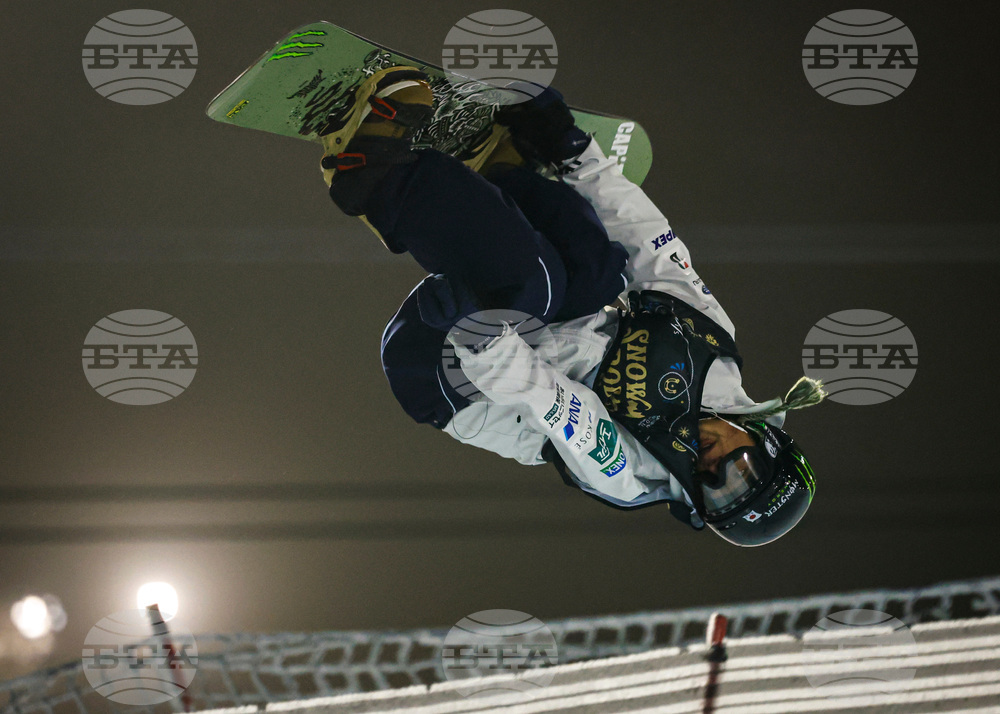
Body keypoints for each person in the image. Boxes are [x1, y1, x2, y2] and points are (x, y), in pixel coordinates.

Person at [318, 67, 826, 547]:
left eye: (714, 492)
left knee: (531, 286)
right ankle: (505, 176)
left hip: (455, 378)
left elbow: (556, 403)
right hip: (547, 334)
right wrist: (574, 149)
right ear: (765, 443)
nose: (712, 470)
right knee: (597, 271)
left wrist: (480, 335)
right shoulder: (715, 350)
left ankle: (370, 173)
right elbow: (655, 247)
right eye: (739, 475)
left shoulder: (633, 477)